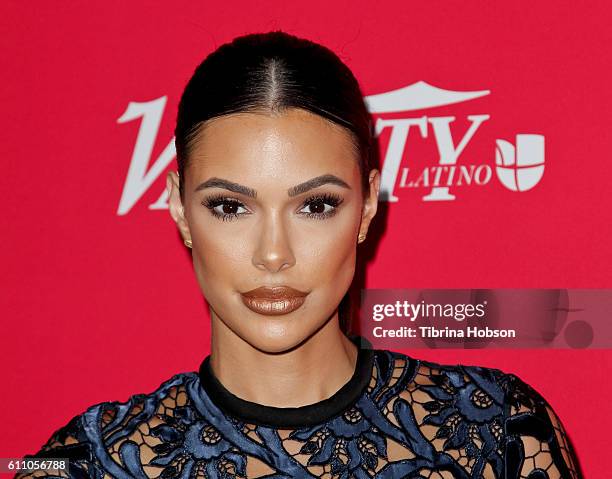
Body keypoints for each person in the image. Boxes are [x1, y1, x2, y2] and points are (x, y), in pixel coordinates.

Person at [17, 30, 582, 479]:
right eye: (229, 207)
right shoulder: (86, 464)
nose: (273, 255)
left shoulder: (498, 429)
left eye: (315, 206)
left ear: (365, 209)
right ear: (179, 209)